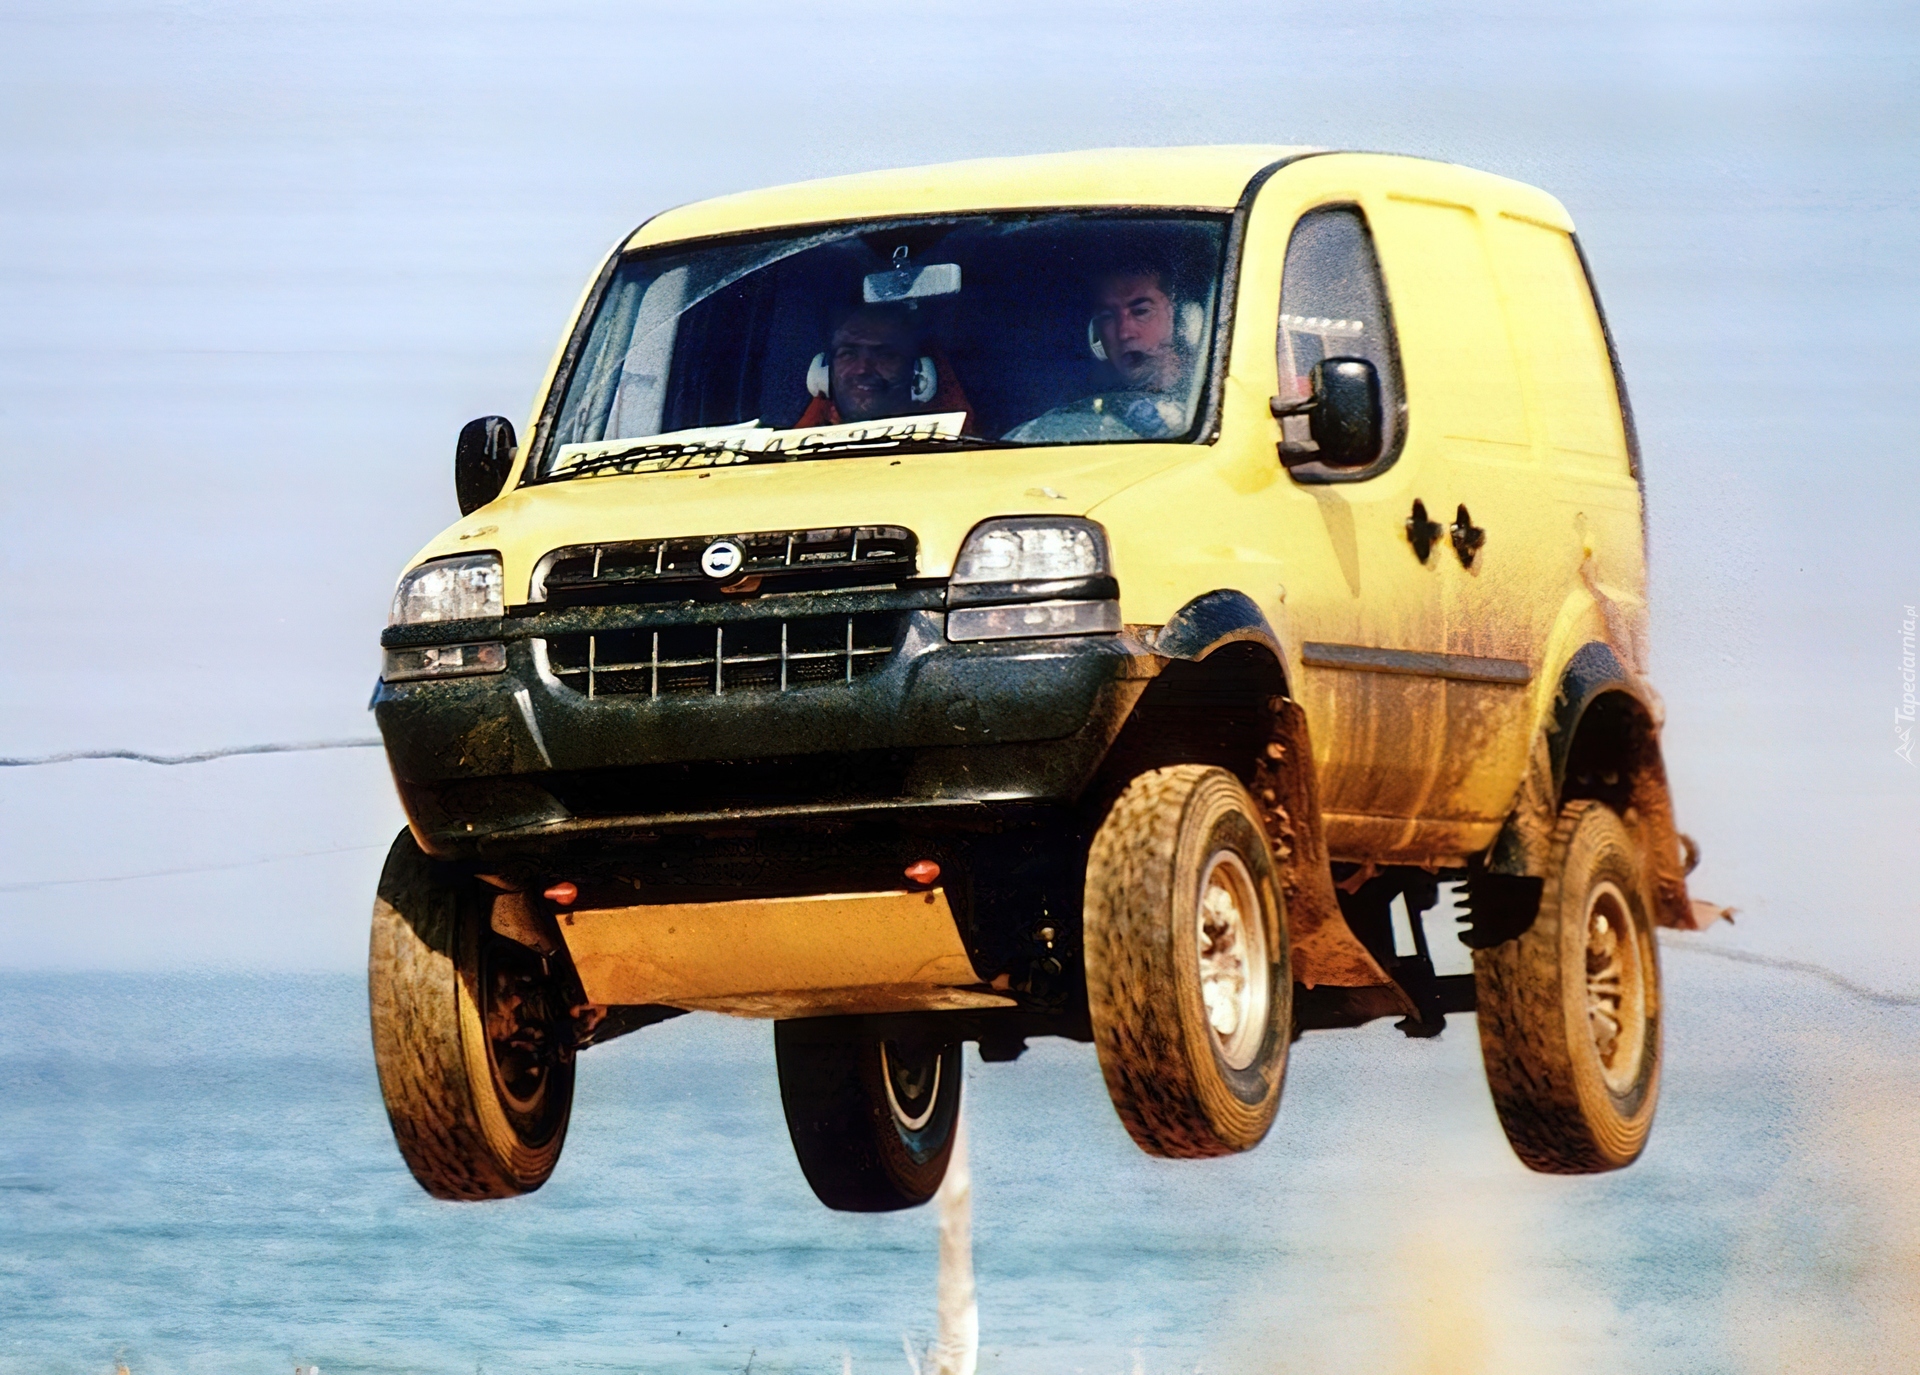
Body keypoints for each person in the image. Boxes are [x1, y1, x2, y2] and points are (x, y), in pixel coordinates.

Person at [793, 303, 972, 429]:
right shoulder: (793, 459)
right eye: (848, 354)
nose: (862, 369)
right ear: (822, 374)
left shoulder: (963, 456)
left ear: (920, 374)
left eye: (885, 356)